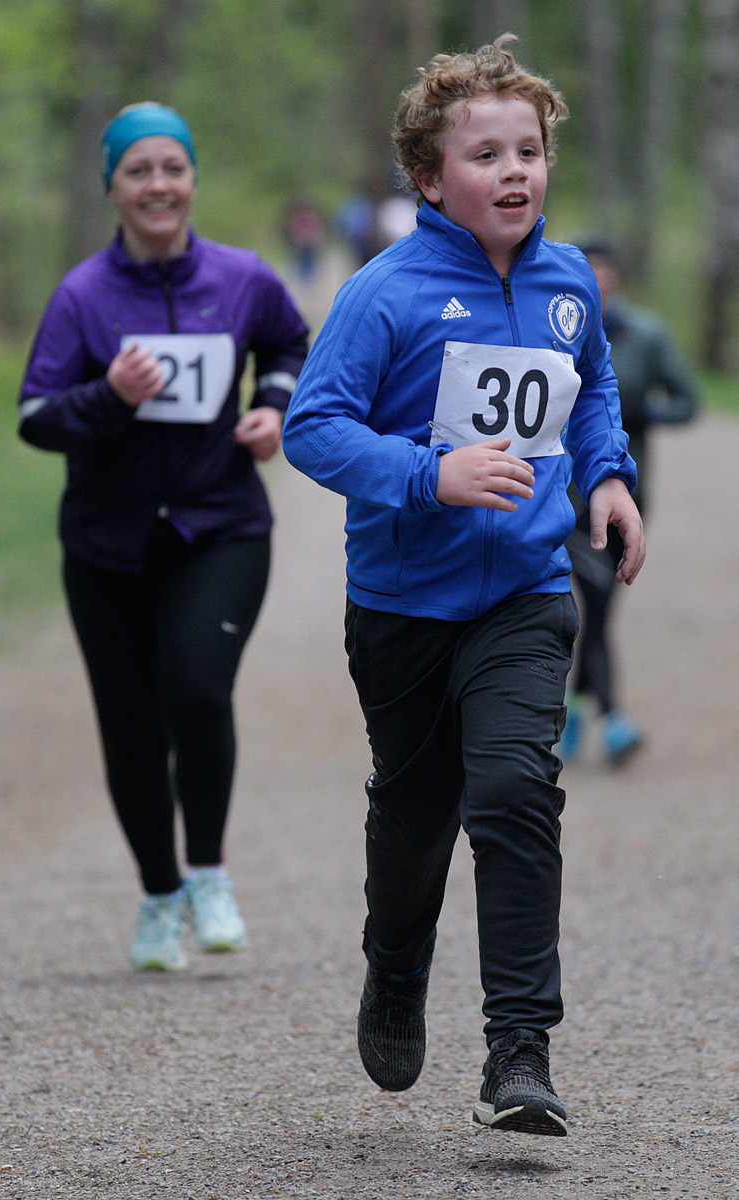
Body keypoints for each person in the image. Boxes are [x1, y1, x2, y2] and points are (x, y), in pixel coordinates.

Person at [283, 37, 645, 1136]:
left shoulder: (566, 279)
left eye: (527, 150)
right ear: (430, 178)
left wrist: (608, 475)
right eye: (484, 155)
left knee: (513, 790)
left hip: (526, 591)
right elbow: (313, 427)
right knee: (414, 812)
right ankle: (396, 968)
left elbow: (589, 388)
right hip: (402, 605)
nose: (513, 171)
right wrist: (426, 475)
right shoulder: (383, 294)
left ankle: (519, 1051)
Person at [18, 103, 308, 971]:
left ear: (193, 180)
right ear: (111, 187)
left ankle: (209, 872)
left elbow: (290, 346)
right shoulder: (83, 295)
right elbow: (35, 417)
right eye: (138, 170)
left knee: (196, 688)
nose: (158, 185)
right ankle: (158, 894)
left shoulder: (243, 277)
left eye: (172, 169)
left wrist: (272, 407)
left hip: (221, 526)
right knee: (131, 726)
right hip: (107, 545)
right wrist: (110, 395)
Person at [560, 237, 700, 766]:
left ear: (617, 275)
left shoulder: (647, 334)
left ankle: (576, 711)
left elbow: (688, 401)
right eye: (588, 268)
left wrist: (642, 413)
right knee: (594, 601)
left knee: (600, 610)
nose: (597, 277)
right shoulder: (555, 326)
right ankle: (614, 717)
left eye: (604, 268)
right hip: (568, 497)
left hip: (630, 494)